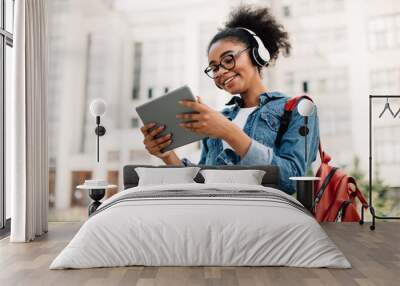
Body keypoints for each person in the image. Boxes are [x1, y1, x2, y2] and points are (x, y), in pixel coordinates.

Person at [139, 5, 320, 195]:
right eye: (214, 68)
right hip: (216, 219)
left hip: (265, 219)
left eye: (228, 60)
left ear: (257, 54)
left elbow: (292, 180)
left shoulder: (300, 109)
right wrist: (167, 156)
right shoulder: (217, 119)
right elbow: (200, 183)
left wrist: (228, 131)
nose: (222, 72)